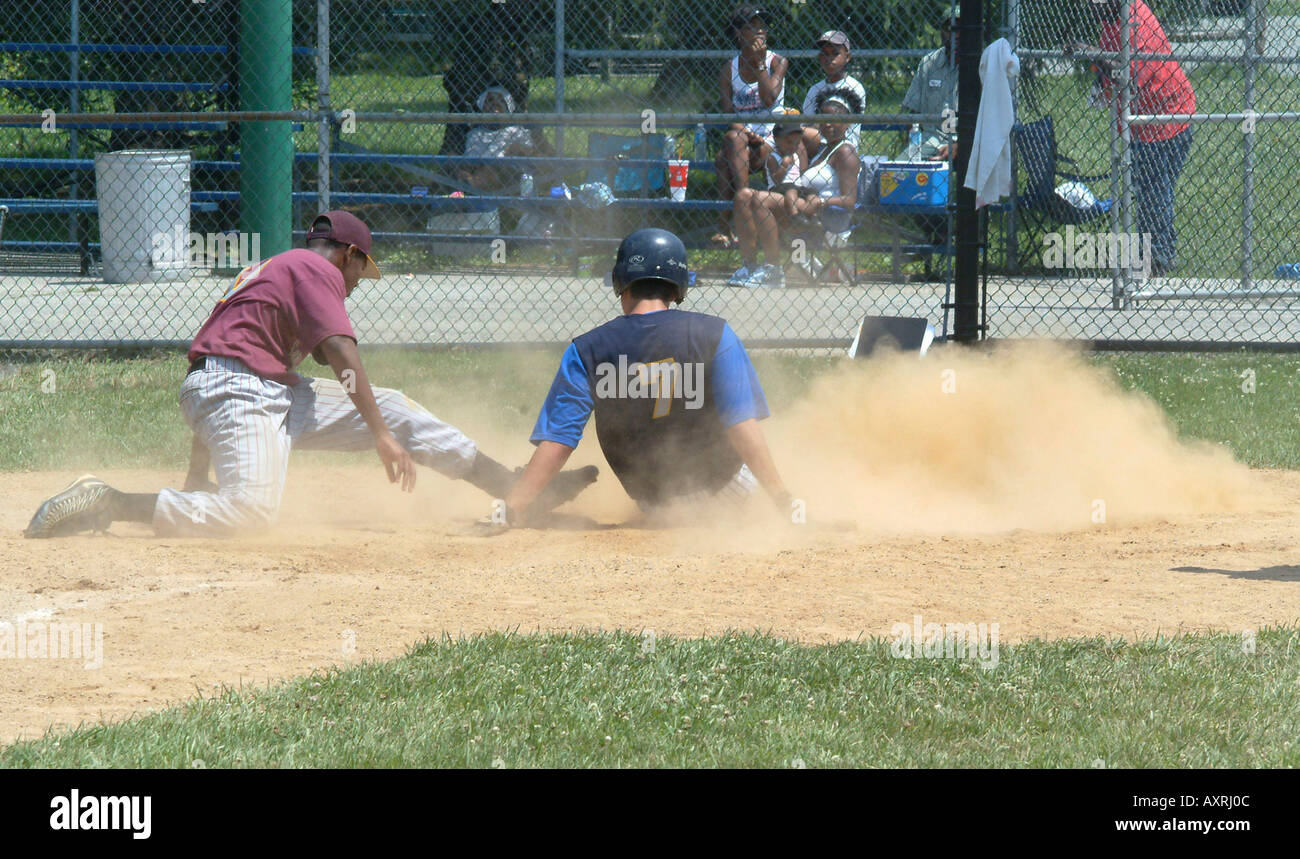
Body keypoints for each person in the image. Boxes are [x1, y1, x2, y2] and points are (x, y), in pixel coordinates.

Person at [24, 211, 597, 538]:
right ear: (346, 253)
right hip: (241, 391)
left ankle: (519, 490)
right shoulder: (312, 270)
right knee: (251, 514)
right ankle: (110, 502)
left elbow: (216, 363)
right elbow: (340, 356)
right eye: (358, 271)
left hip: (250, 388)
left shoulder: (279, 268)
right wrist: (378, 435)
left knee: (394, 404)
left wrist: (197, 473)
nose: (354, 285)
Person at [500, 228, 794, 525]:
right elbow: (741, 425)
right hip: (729, 494)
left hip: (660, 508)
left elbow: (557, 442)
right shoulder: (715, 334)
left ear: (619, 281)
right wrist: (783, 499)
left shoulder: (586, 349)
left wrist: (511, 508)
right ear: (678, 285)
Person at [1071, 0, 1195, 276]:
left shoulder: (1137, 27)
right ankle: (1158, 251)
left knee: (1154, 192)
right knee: (1153, 191)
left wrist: (1093, 53)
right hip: (1142, 121)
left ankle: (1156, 259)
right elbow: (1111, 69)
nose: (1093, 5)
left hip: (1166, 118)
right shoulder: (1111, 16)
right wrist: (1099, 76)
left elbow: (1127, 78)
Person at [729, 89, 862, 288]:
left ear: (847, 122)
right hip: (799, 207)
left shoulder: (846, 152)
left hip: (822, 215)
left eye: (835, 118)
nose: (827, 124)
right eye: (823, 118)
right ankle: (749, 265)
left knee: (758, 199)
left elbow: (850, 200)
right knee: (742, 196)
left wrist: (822, 201)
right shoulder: (822, 150)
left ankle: (773, 270)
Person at [711, 5, 788, 248]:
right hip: (742, 139)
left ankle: (730, 225)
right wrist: (746, 132)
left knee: (725, 158)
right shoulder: (728, 70)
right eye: (751, 27)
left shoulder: (778, 62)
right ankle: (738, 216)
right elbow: (728, 114)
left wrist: (759, 64)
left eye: (762, 26)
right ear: (737, 33)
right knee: (732, 141)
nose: (759, 31)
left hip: (770, 137)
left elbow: (769, 99)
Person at [458, 86, 553, 193]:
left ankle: (469, 186)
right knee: (481, 169)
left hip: (515, 175)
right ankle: (470, 187)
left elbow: (531, 154)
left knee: (495, 166)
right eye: (489, 100)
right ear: (483, 107)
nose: (495, 103)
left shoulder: (517, 130)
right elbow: (471, 161)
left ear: (508, 107)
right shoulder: (476, 134)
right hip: (487, 174)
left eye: (501, 100)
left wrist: (514, 150)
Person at [901, 13, 960, 161]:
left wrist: (960, 145)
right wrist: (911, 147)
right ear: (942, 32)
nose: (956, 34)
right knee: (899, 168)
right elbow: (913, 110)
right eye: (950, 29)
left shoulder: (981, 64)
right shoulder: (929, 63)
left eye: (962, 28)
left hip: (967, 142)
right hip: (930, 141)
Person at [801, 30, 868, 156]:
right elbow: (807, 124)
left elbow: (844, 128)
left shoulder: (854, 87)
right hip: (816, 146)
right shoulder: (815, 89)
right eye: (824, 54)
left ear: (847, 57)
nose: (829, 59)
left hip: (844, 145)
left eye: (835, 53)